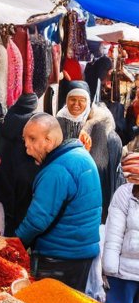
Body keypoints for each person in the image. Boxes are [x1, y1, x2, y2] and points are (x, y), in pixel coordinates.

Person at [14, 114, 102, 292]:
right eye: (25, 140)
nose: (27, 148)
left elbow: (37, 220)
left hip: (58, 258)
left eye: (32, 139)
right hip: (82, 255)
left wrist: (14, 244)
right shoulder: (80, 155)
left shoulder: (57, 170)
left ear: (49, 139)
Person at [57, 80, 123, 220]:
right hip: (61, 197)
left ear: (89, 103)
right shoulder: (56, 124)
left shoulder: (105, 133)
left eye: (82, 100)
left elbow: (107, 177)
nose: (76, 104)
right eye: (72, 99)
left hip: (91, 200)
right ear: (66, 101)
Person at [0, 92, 42, 235]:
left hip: (2, 172)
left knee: (3, 216)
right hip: (25, 175)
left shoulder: (5, 121)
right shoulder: (34, 124)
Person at [102, 168, 139, 303]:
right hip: (122, 277)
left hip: (123, 275)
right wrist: (110, 271)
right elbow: (114, 236)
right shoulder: (125, 193)